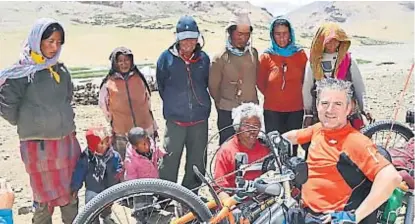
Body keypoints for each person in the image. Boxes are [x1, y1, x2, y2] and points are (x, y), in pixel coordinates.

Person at [283, 78, 401, 224]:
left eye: (337, 104)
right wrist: (270, 139)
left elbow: (391, 177)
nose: (329, 110)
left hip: (329, 218)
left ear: (349, 108)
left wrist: (354, 217)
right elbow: (294, 136)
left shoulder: (355, 141)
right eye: (325, 103)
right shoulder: (319, 129)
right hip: (305, 212)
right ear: (317, 106)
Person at [0, 18, 80, 224]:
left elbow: (67, 98)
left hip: (66, 143)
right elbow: (7, 106)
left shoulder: (60, 70)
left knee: (70, 192)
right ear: (37, 41)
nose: (54, 47)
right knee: (44, 198)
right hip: (38, 147)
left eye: (59, 42)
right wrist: (34, 122)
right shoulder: (21, 73)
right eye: (50, 41)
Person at [156, 15, 211, 193]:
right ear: (177, 39)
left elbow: (206, 82)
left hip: (199, 120)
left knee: (197, 160)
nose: (188, 42)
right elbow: (162, 86)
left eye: (192, 38)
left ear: (198, 39)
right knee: (169, 160)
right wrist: (175, 106)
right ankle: (166, 196)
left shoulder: (204, 59)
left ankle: (190, 194)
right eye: (184, 38)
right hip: (175, 121)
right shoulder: (165, 58)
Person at [302, 22, 371, 130]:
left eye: (336, 40)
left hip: (346, 113)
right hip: (321, 113)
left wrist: (365, 108)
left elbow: (359, 87)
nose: (333, 44)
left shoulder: (348, 60)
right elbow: (307, 88)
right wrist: (308, 112)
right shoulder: (313, 62)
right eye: (329, 41)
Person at [256, 16, 308, 156]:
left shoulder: (300, 54)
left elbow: (307, 79)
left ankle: (292, 177)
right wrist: (274, 95)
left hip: (295, 110)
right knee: (274, 148)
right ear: (272, 35)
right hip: (272, 110)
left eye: (285, 33)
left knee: (292, 148)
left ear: (290, 34)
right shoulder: (267, 57)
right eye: (278, 34)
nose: (282, 38)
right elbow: (260, 82)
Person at [209, 9, 259, 145]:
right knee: (228, 146)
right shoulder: (220, 58)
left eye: (247, 34)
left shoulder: (253, 54)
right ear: (230, 32)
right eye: (240, 34)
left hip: (250, 111)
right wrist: (224, 103)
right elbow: (213, 87)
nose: (244, 38)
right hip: (227, 111)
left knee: (250, 146)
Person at [99, 47, 158, 161]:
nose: (124, 64)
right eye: (120, 61)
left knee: (148, 161)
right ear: (115, 63)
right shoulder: (108, 83)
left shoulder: (140, 78)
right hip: (122, 131)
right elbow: (104, 106)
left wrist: (152, 126)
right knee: (125, 163)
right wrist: (113, 123)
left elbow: (148, 101)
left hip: (144, 128)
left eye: (127, 60)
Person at [214, 103, 270, 200]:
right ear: (237, 127)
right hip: (234, 203)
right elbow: (219, 187)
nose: (252, 130)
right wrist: (230, 208)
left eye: (256, 125)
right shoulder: (226, 151)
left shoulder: (265, 149)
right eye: (247, 126)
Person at [70, 127, 122, 224]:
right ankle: (94, 221)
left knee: (107, 205)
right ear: (93, 144)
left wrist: (118, 174)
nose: (105, 146)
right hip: (92, 190)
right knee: (91, 209)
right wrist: (75, 187)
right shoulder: (86, 157)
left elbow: (119, 166)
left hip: (109, 187)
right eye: (101, 143)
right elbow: (79, 172)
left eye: (106, 142)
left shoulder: (113, 155)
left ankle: (106, 217)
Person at [124, 127, 166, 221]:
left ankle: (150, 209)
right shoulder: (131, 160)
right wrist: (135, 188)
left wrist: (162, 153)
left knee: (150, 196)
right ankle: (140, 215)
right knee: (140, 201)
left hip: (152, 178)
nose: (147, 145)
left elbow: (156, 151)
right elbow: (131, 176)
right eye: (143, 144)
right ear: (135, 147)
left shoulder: (151, 146)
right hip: (139, 186)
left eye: (147, 141)